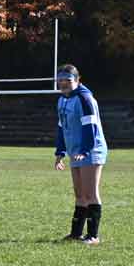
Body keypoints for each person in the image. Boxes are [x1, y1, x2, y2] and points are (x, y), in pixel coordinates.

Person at [54, 64, 109, 244]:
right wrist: (60, 152)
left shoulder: (85, 98)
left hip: (90, 150)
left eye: (67, 80)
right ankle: (76, 234)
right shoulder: (62, 100)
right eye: (60, 80)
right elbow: (62, 127)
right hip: (75, 151)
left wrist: (85, 150)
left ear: (77, 80)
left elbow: (90, 126)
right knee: (79, 194)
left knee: (90, 193)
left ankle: (93, 236)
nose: (63, 83)